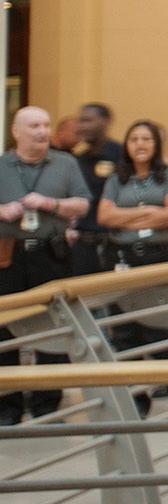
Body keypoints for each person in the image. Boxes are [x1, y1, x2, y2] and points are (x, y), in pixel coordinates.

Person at [0, 106, 95, 424]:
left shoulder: (66, 163)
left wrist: (52, 204)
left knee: (53, 327)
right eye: (34, 126)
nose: (42, 132)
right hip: (8, 256)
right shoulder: (1, 166)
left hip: (51, 254)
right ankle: (7, 406)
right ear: (17, 132)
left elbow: (82, 203)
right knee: (4, 329)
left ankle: (47, 405)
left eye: (46, 125)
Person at [97, 120, 168, 415]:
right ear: (126, 145)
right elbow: (104, 216)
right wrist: (150, 212)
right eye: (134, 139)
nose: (140, 144)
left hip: (158, 257)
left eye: (146, 139)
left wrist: (126, 215)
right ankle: (135, 403)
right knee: (126, 332)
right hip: (123, 259)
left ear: (156, 144)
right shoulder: (117, 177)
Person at [67, 103, 120, 277]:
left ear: (104, 121)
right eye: (81, 121)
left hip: (114, 243)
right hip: (84, 245)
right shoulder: (78, 160)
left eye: (88, 121)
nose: (82, 127)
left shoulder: (121, 155)